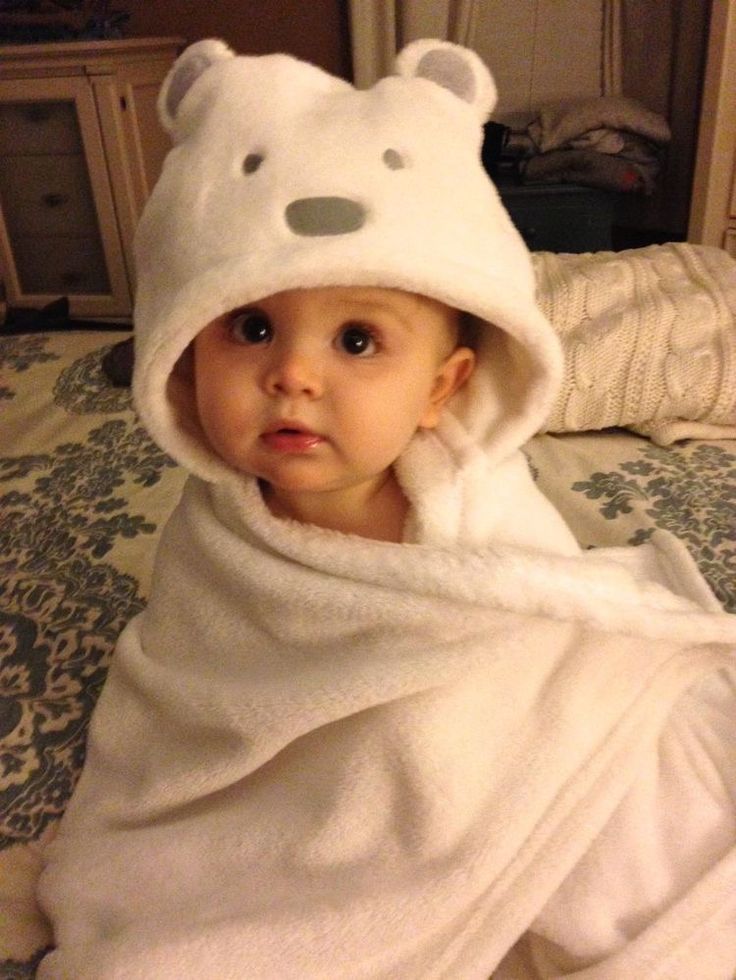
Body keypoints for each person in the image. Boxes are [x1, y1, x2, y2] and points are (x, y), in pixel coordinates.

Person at [38, 39, 735, 979]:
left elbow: (541, 642)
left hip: (505, 754)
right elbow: (188, 702)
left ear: (441, 389)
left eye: (358, 339)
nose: (292, 374)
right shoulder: (217, 539)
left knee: (626, 824)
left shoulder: (476, 496)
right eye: (251, 328)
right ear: (183, 355)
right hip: (355, 805)